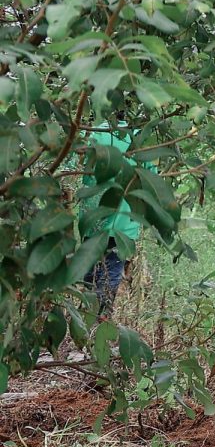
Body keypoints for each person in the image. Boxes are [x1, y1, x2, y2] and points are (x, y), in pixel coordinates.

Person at [78, 124, 142, 319]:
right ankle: (102, 321)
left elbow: (76, 165)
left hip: (94, 219)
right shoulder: (139, 138)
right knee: (112, 271)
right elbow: (151, 177)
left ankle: (86, 320)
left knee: (90, 273)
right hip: (125, 224)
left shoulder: (90, 133)